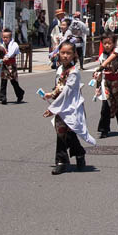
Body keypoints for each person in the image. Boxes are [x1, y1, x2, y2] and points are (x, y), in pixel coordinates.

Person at [42, 40, 96, 175]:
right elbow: (59, 87)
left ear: (74, 55)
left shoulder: (74, 72)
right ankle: (68, 158)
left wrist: (52, 108)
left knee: (69, 133)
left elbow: (67, 92)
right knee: (62, 133)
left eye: (68, 53)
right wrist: (51, 94)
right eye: (62, 52)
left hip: (71, 107)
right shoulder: (60, 69)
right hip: (61, 105)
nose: (65, 55)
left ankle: (69, 157)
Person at [93, 33, 118, 137]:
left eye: (109, 43)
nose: (107, 45)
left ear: (113, 43)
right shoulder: (101, 56)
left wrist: (102, 66)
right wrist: (97, 86)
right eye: (105, 43)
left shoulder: (116, 51)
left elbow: (111, 58)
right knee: (105, 106)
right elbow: (100, 74)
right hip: (107, 83)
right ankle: (104, 129)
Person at [0, 28, 26, 105]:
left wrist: (7, 56)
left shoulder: (14, 44)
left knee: (14, 82)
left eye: (6, 37)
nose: (5, 39)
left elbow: (11, 52)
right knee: (3, 81)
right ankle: (3, 98)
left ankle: (20, 93)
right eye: (3, 37)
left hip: (11, 65)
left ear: (10, 37)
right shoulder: (1, 45)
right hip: (4, 65)